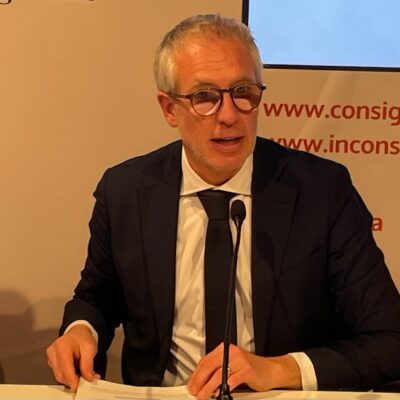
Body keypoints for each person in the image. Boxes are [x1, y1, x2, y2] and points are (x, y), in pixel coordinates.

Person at [46, 14, 400, 400]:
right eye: (204, 97)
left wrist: (279, 369)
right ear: (169, 108)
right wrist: (80, 330)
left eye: (243, 91)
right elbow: (96, 298)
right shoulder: (125, 192)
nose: (229, 115)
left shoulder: (323, 192)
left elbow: (389, 339)